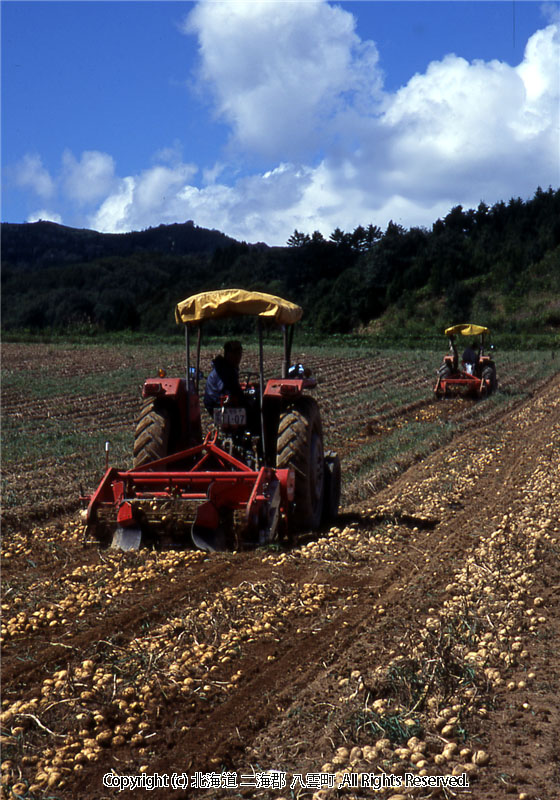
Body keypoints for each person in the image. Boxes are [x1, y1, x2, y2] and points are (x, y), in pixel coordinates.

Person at [204, 340, 244, 415]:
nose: (238, 357)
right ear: (228, 354)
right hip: (217, 404)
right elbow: (227, 391)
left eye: (239, 354)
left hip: (216, 402)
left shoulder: (225, 367)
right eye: (235, 354)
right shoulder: (223, 370)